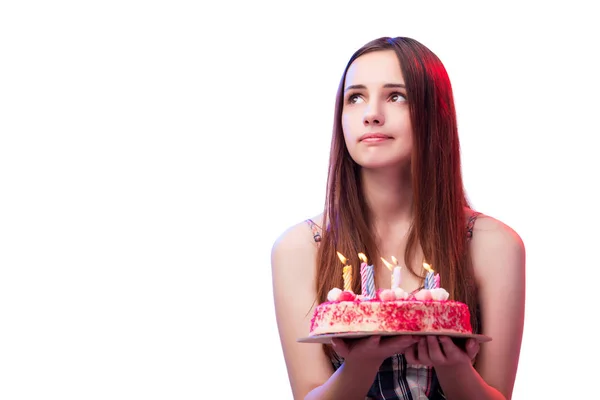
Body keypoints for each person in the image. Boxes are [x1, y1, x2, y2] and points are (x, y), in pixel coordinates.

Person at [271, 36, 525, 400]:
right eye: (355, 97)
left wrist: (454, 369)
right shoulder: (299, 247)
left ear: (433, 113)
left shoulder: (494, 244)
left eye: (395, 96)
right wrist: (361, 364)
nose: (371, 113)